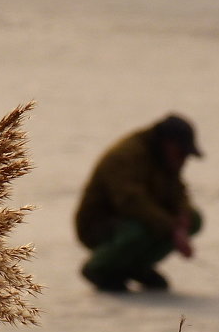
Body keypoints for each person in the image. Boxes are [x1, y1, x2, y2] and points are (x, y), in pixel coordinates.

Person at [74, 114, 203, 292]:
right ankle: (98, 267)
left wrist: (183, 215)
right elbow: (131, 203)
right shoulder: (126, 156)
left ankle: (135, 266)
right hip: (100, 226)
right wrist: (173, 227)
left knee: (193, 219)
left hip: (137, 219)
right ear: (167, 143)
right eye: (181, 153)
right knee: (139, 230)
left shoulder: (165, 159)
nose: (183, 161)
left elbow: (177, 192)